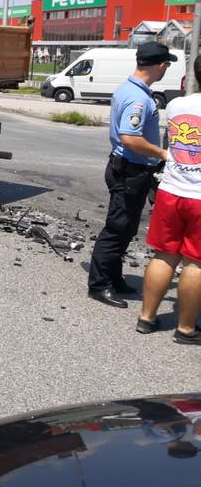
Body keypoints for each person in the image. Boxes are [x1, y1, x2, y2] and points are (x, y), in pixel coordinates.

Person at [87, 41, 176, 308]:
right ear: (160, 66)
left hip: (128, 168)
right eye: (166, 65)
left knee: (126, 227)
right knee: (117, 229)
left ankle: (114, 277)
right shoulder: (139, 97)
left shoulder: (129, 88)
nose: (166, 69)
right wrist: (161, 153)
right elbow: (129, 137)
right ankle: (99, 285)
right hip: (130, 169)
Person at [137, 54, 201, 344]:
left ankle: (147, 317)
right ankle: (186, 328)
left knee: (163, 255)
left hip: (172, 190)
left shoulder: (176, 105)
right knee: (195, 263)